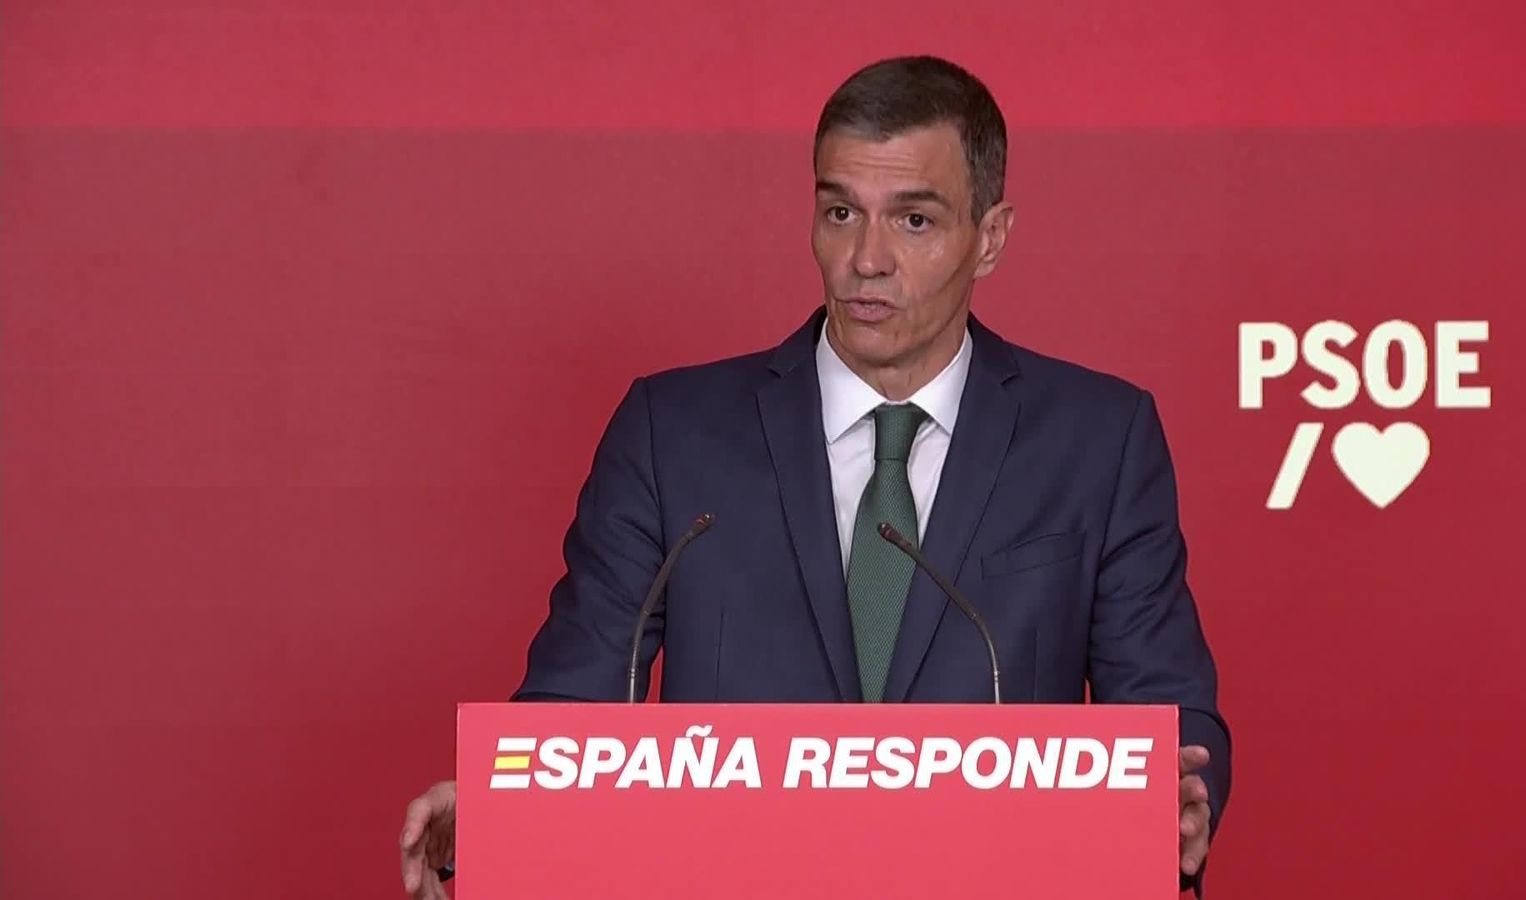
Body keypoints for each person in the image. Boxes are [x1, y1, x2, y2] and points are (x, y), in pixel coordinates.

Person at [400, 54, 1230, 898]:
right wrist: (496, 815)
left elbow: (1165, 712)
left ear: (990, 238)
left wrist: (1179, 803)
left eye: (913, 220)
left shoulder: (1098, 439)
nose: (866, 259)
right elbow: (574, 708)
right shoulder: (671, 432)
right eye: (841, 213)